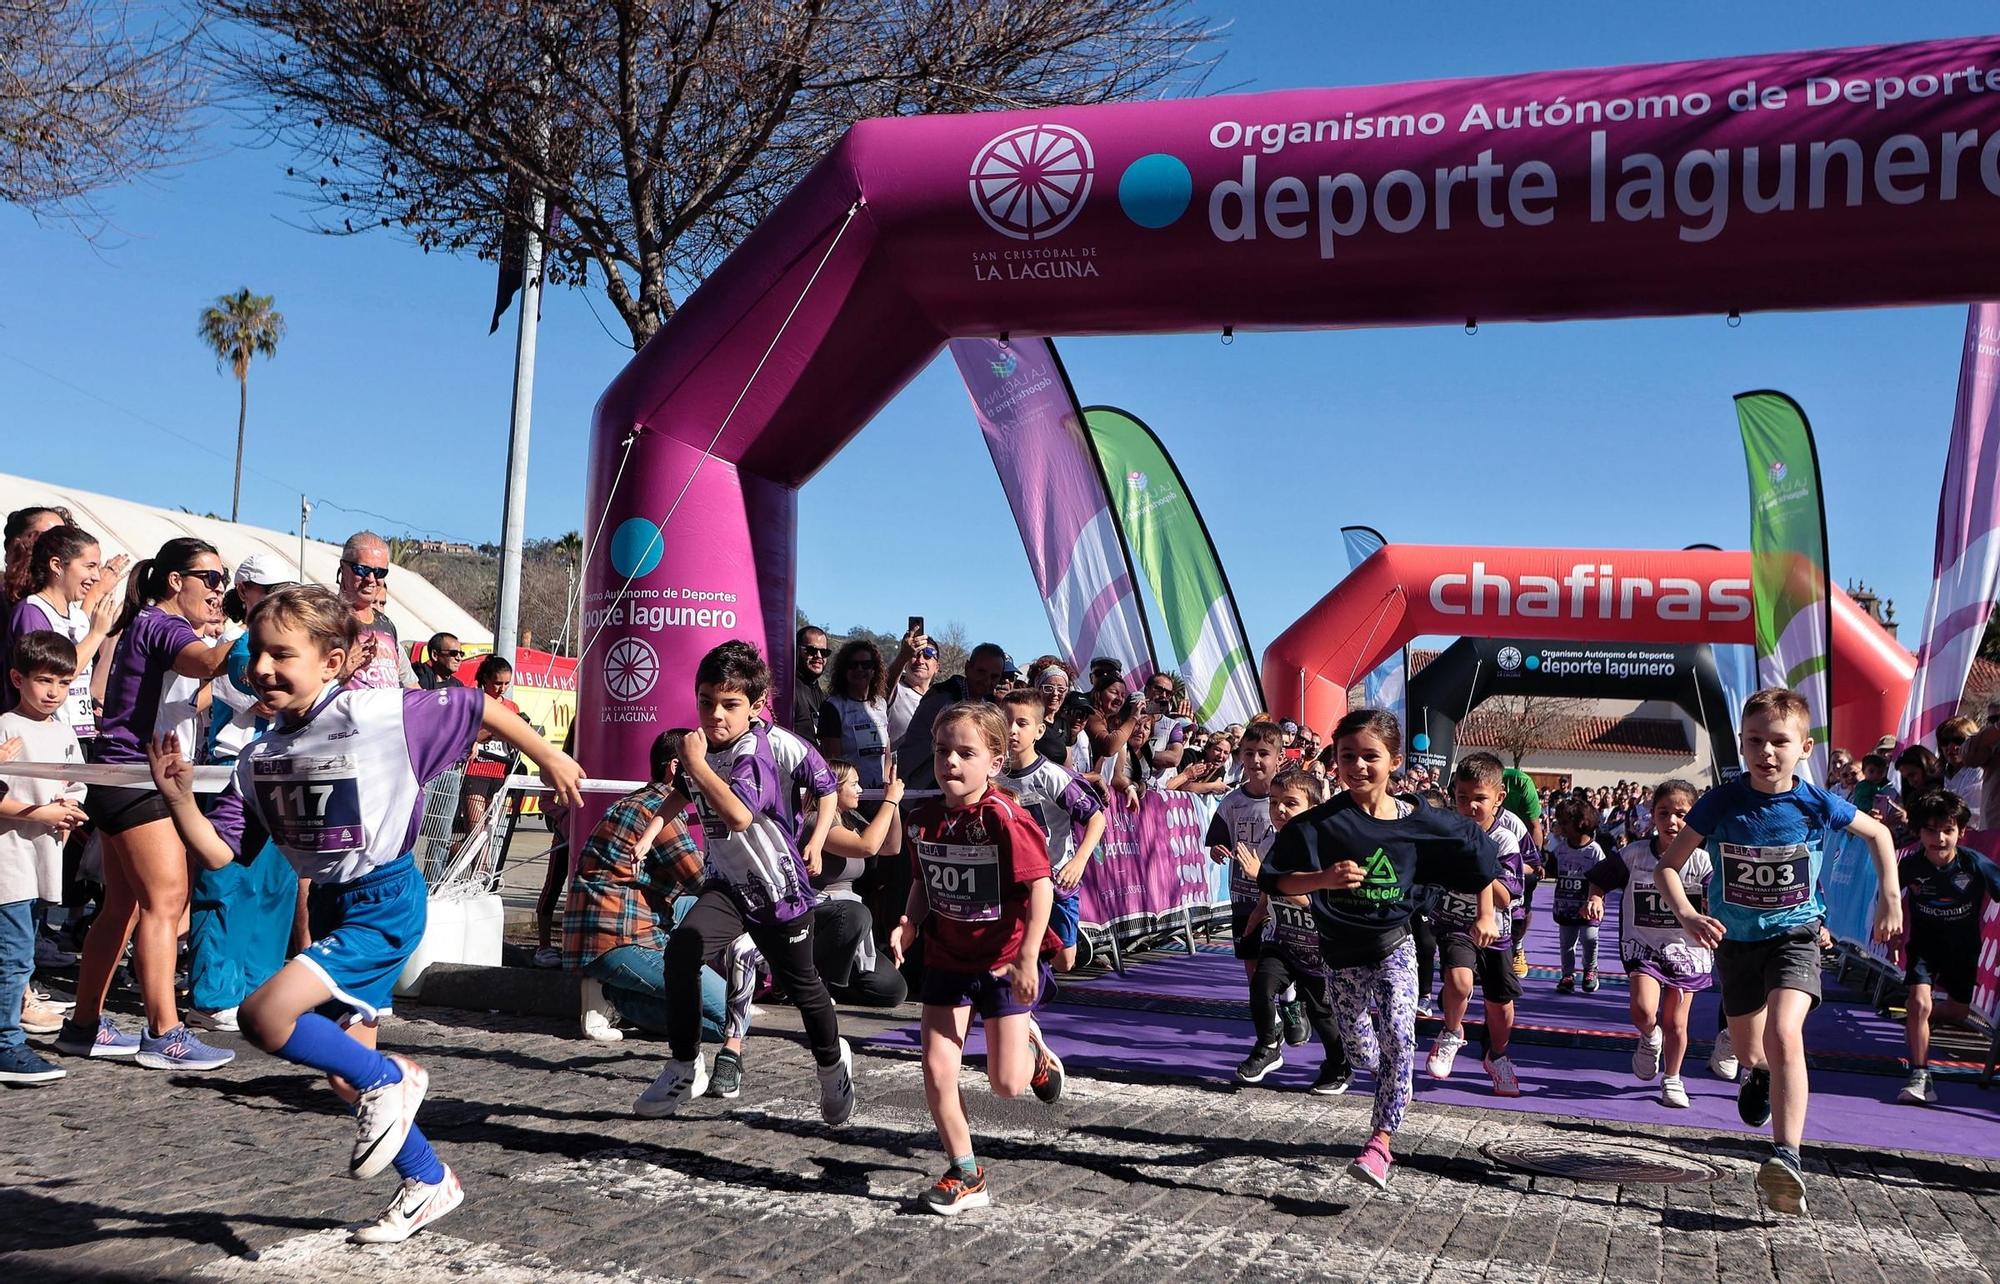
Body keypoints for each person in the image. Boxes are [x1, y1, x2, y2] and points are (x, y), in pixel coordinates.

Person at [147, 584, 581, 1243]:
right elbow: (220, 856)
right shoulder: (257, 760)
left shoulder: (378, 712)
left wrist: (548, 756)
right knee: (348, 1079)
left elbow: (474, 704)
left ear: (333, 660)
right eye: (257, 653)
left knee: (266, 1017)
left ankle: (398, 1076)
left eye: (282, 654)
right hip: (332, 909)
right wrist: (180, 800)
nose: (263, 667)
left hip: (385, 904)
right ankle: (431, 1182)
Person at [1652, 687, 1902, 1216]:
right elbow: (1667, 867)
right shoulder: (1722, 801)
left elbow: (1879, 834)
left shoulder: (1814, 802)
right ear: (1742, 745)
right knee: (1749, 1049)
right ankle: (1759, 1074)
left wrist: (1890, 899)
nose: (1766, 752)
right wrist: (1690, 914)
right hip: (1737, 942)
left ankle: (1787, 1156)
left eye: (1779, 742)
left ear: (1804, 747)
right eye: (1754, 741)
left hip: (1795, 936)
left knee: (1785, 1031)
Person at [1260, 708, 1500, 1190]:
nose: (1359, 766)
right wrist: (1323, 879)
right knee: (1364, 1050)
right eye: (1348, 756)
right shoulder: (1320, 824)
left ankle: (1379, 1144)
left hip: (1395, 945)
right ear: (1336, 762)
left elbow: (1477, 855)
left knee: (1397, 1039)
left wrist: (1486, 910)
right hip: (1340, 953)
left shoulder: (1420, 820)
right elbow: (1274, 879)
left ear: (1393, 761)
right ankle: (1374, 1063)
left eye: (1371, 756)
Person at [631, 641, 852, 1124]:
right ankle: (685, 1063)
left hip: (777, 891)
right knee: (683, 948)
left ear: (754, 708)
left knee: (804, 985)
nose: (715, 716)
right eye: (706, 702)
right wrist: (649, 834)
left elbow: (736, 813)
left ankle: (833, 1066)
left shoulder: (759, 752)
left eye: (729, 705)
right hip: (727, 885)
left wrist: (816, 840)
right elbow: (680, 795)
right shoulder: (704, 750)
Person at [59, 537, 237, 1069]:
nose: (219, 590)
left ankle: (84, 1025)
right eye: (211, 578)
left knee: (122, 906)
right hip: (136, 778)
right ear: (175, 580)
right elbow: (207, 663)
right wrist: (267, 630)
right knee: (166, 901)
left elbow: (197, 686)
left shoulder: (155, 626)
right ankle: (164, 1033)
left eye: (223, 580)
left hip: (125, 775)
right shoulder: (163, 625)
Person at [891, 701, 1060, 1215]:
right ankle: (965, 1171)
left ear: (995, 759)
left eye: (966, 753)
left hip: (1003, 961)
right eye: (943, 752)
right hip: (946, 959)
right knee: (938, 1068)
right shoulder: (923, 818)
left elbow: (1041, 888)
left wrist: (1029, 956)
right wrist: (910, 922)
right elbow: (922, 881)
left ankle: (1032, 1053)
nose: (951, 764)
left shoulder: (1005, 818)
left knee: (1006, 1085)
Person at [562, 730, 762, 1063]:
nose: (715, 773)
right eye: (704, 763)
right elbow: (704, 882)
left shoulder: (636, 800)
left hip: (601, 929)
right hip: (619, 936)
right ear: (676, 768)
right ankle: (617, 998)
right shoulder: (660, 812)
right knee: (731, 1019)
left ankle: (621, 990)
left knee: (695, 910)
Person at [188, 556, 302, 1032]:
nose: (277, 596)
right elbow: (251, 686)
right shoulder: (236, 646)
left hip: (281, 765)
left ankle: (259, 988)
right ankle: (214, 994)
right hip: (233, 769)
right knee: (228, 882)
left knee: (276, 882)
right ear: (245, 589)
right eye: (269, 588)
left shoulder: (282, 644)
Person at [1584, 779, 1713, 1108]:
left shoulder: (1703, 862)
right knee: (1643, 1010)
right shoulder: (1635, 855)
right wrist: (1595, 898)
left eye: (1681, 814)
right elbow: (1600, 877)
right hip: (1644, 946)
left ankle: (1672, 1078)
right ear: (1652, 817)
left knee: (1676, 1022)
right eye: (1663, 813)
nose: (1672, 821)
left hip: (1688, 949)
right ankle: (1649, 1036)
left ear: (1694, 817)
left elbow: (1720, 900)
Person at [0, 630, 89, 1082]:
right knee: (13, 955)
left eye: (63, 682)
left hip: (43, 860)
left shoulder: (63, 730)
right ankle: (6, 1043)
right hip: (10, 861)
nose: (53, 692)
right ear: (18, 678)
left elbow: (74, 782)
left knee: (23, 950)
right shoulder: (6, 728)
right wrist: (42, 811)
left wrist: (70, 809)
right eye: (43, 681)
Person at [1235, 769, 1352, 1095]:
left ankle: (1338, 1065)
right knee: (1261, 984)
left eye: (1290, 803)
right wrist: (1258, 912)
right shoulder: (1272, 841)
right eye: (1274, 803)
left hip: (1318, 947)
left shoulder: (1326, 848)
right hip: (1282, 938)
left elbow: (1315, 902)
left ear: (1313, 808)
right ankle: (1268, 1046)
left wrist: (1266, 879)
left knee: (1322, 1013)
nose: (1280, 810)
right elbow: (1267, 886)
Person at [1893, 790, 2000, 1106]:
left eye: (1947, 830)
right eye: (1930, 830)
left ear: (1961, 832)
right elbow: (1888, 897)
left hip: (1963, 948)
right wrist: (1893, 932)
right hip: (1924, 945)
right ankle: (1920, 1074)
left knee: (1956, 1011)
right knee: (1918, 1001)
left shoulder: (1975, 864)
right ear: (1919, 832)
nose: (1939, 838)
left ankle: (1919, 1020)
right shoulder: (1911, 865)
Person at [1426, 753, 1525, 1097]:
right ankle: (1451, 1032)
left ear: (1498, 798)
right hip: (1456, 924)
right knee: (1459, 980)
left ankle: (1497, 1056)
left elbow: (1505, 896)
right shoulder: (1447, 834)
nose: (1469, 807)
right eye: (1462, 797)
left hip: (1496, 933)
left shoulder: (1505, 841)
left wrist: (1480, 862)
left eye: (1479, 799)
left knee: (1501, 1007)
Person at [996, 689, 1105, 973]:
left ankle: (1063, 939)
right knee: (1013, 950)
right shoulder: (992, 776)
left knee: (1064, 961)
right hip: (1012, 881)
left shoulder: (1053, 777)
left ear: (1039, 729)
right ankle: (1020, 1009)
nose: (1012, 730)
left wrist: (1078, 862)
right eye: (1006, 721)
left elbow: (1097, 819)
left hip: (1056, 876)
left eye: (1022, 723)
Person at [1207, 720, 1301, 1047]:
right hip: (1243, 897)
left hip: (1280, 899)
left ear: (1279, 759)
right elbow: (1217, 842)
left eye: (1264, 753)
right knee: (1251, 962)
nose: (1256, 760)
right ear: (1241, 757)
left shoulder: (1290, 801)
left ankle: (1290, 1000)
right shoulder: (1232, 802)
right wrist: (1218, 851)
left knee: (1280, 957)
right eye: (1249, 753)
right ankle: (1268, 1023)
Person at [809, 759, 909, 1007]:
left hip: (845, 919)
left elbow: (890, 847)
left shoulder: (849, 817)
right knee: (856, 914)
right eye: (854, 784)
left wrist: (892, 803)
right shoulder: (815, 821)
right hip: (819, 913)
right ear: (834, 788)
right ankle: (807, 981)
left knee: (893, 990)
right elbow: (867, 846)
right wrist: (889, 802)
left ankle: (834, 984)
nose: (861, 790)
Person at [4, 525, 119, 732]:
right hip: (38, 732)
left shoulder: (77, 615)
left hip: (76, 732)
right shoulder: (32, 611)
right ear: (57, 565)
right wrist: (96, 634)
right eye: (89, 566)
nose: (97, 577)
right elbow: (53, 672)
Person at [895, 642, 1006, 790]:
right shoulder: (941, 700)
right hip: (923, 791)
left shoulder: (988, 704)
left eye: (994, 676)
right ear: (967, 668)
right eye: (981, 672)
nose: (987, 680)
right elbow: (917, 755)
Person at [337, 532, 418, 690]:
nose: (371, 579)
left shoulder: (386, 624)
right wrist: (342, 671)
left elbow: (411, 687)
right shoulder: (325, 619)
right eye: (362, 569)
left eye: (380, 572)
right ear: (343, 568)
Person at [1548, 798, 1608, 993]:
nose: (1560, 827)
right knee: (1567, 943)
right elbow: (1551, 869)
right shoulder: (1560, 850)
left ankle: (1590, 970)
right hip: (1565, 906)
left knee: (1589, 938)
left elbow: (1602, 879)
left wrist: (1595, 900)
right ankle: (1567, 975)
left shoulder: (1594, 851)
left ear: (1580, 822)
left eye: (1565, 822)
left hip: (1587, 908)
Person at [815, 639, 890, 789]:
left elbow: (886, 754)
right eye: (852, 665)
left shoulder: (881, 704)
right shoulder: (833, 707)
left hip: (879, 794)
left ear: (874, 670)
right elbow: (833, 763)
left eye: (866, 665)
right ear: (844, 670)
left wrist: (887, 787)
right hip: (849, 795)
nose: (859, 669)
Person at [459, 655, 519, 838]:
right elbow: (461, 734)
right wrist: (477, 738)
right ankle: (480, 866)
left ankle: (454, 853)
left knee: (490, 833)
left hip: (500, 772)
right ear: (485, 678)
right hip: (476, 771)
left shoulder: (511, 707)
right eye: (497, 683)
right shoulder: (473, 700)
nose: (502, 689)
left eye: (507, 683)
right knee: (475, 834)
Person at [1501, 765, 1544, 978]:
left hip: (1518, 857)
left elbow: (1535, 827)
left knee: (1521, 905)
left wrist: (1536, 864)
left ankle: (1517, 946)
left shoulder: (1522, 784)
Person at [884, 626, 938, 751]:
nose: (920, 660)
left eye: (928, 655)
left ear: (937, 667)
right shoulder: (895, 691)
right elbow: (883, 686)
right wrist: (903, 655)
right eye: (915, 655)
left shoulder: (940, 700)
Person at [793, 625, 830, 738]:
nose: (818, 656)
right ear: (796, 651)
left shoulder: (823, 696)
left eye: (824, 652)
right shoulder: (789, 690)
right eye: (811, 650)